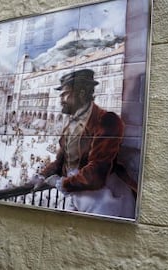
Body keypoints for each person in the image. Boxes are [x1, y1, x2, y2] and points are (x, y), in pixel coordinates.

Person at [38, 69, 137, 218]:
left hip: (106, 201)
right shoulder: (70, 125)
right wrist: (42, 175)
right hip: (79, 197)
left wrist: (63, 183)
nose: (61, 99)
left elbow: (97, 171)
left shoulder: (107, 120)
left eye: (65, 94)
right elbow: (61, 161)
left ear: (82, 93)